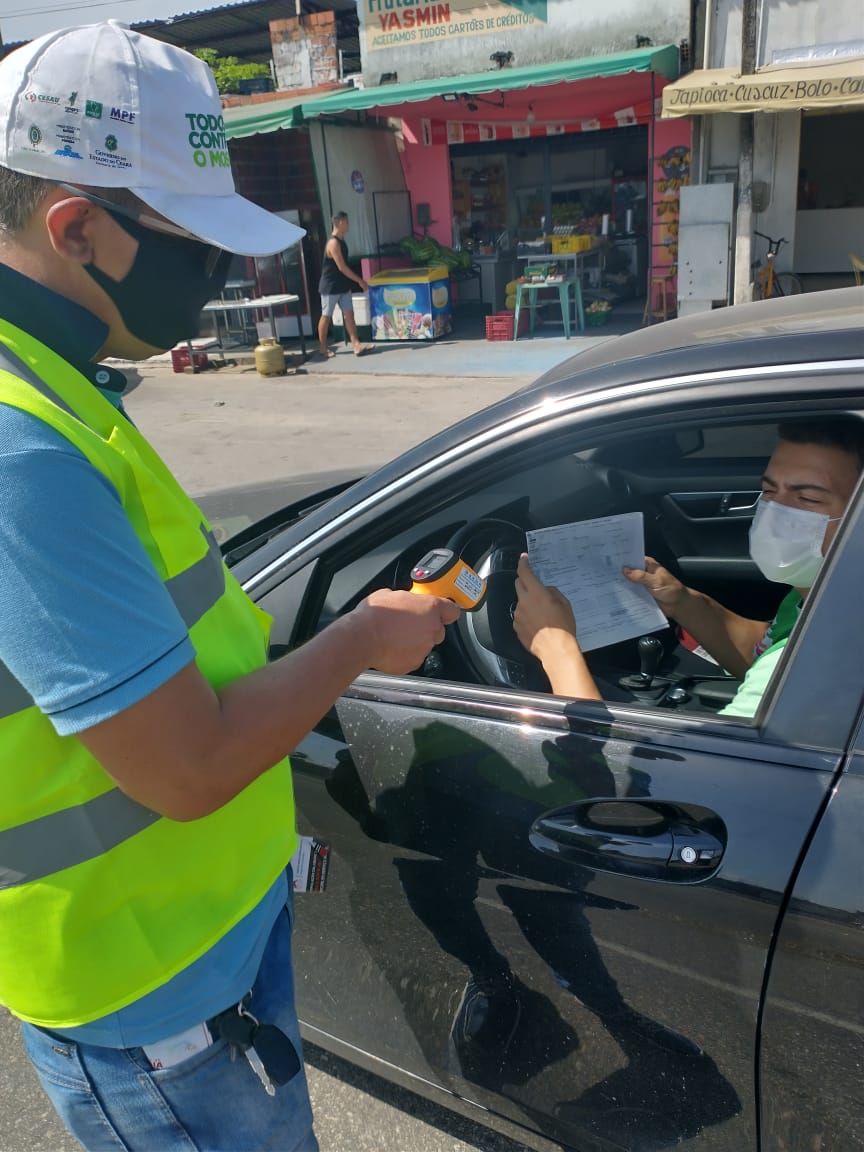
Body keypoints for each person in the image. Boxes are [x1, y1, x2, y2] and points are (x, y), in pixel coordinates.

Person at [0, 22, 459, 1152]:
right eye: (195, 248)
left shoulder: (59, 382)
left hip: (201, 928)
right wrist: (360, 638)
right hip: (147, 986)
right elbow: (189, 766)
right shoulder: (20, 449)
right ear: (76, 229)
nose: (220, 277)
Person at [514, 418, 864, 719]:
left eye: (808, 499)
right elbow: (761, 653)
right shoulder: (824, 593)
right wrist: (682, 601)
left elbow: (607, 768)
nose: (776, 513)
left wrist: (556, 647)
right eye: (769, 491)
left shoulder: (816, 667)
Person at [316, 211, 371, 358]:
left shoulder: (342, 240)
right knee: (326, 316)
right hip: (330, 287)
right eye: (346, 222)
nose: (348, 225)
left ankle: (356, 345)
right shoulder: (333, 243)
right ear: (339, 223)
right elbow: (342, 267)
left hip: (343, 285)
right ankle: (323, 348)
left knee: (349, 314)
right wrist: (359, 280)